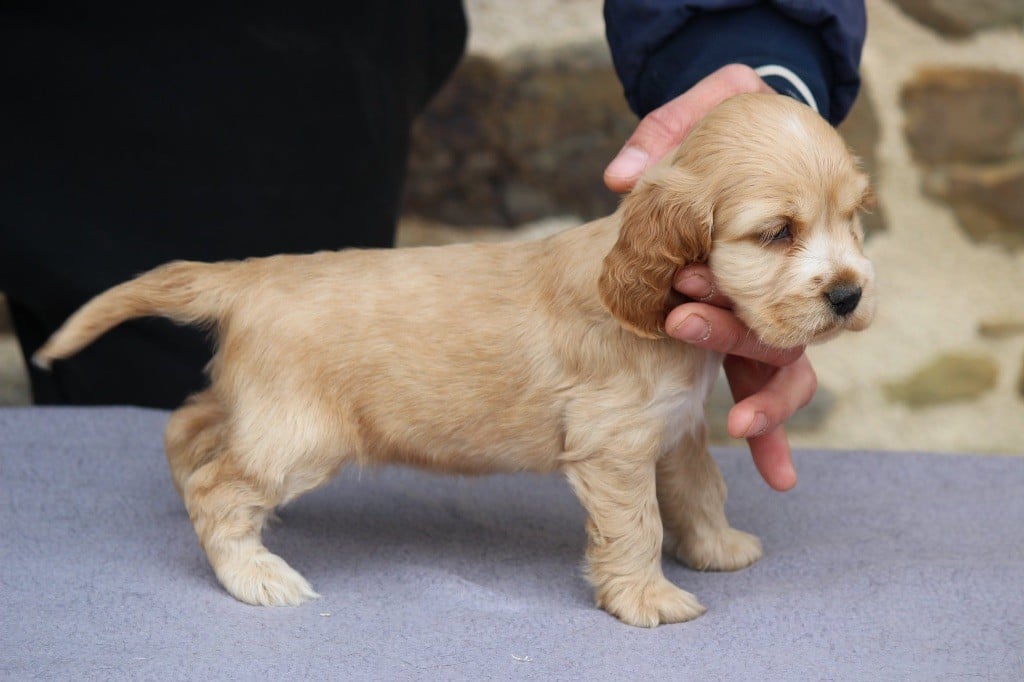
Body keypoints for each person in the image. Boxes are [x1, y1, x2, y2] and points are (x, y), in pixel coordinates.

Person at [0, 1, 866, 492]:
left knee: (243, 367)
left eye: (850, 218)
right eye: (779, 231)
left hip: (244, 59)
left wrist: (758, 47)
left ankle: (210, 466)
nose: (845, 266)